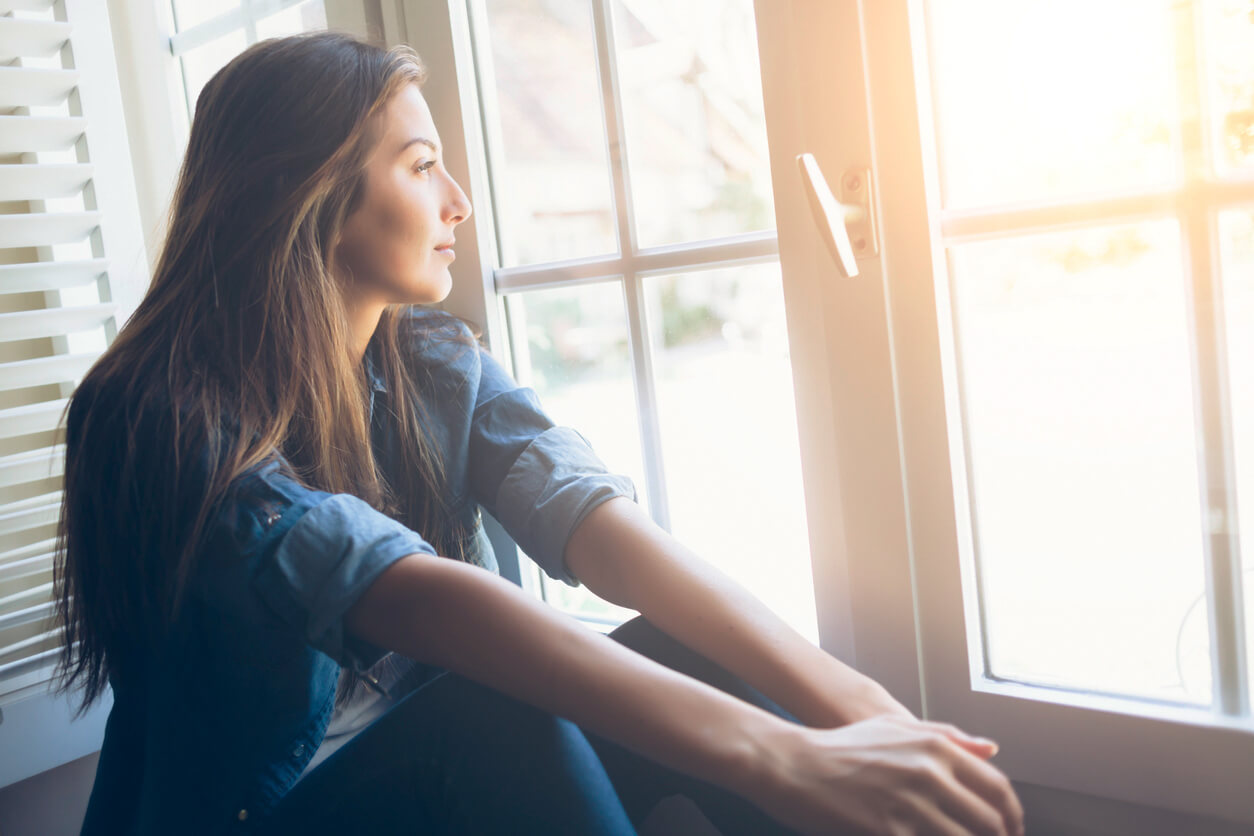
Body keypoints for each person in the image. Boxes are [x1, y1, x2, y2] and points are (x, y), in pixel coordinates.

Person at [53, 32, 1024, 836]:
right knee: (492, 710)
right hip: (253, 816)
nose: (459, 204)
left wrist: (863, 711)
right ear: (311, 191)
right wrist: (778, 755)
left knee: (690, 652)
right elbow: (418, 599)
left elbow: (602, 529)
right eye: (422, 164)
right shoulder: (150, 413)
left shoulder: (428, 360)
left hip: (420, 793)